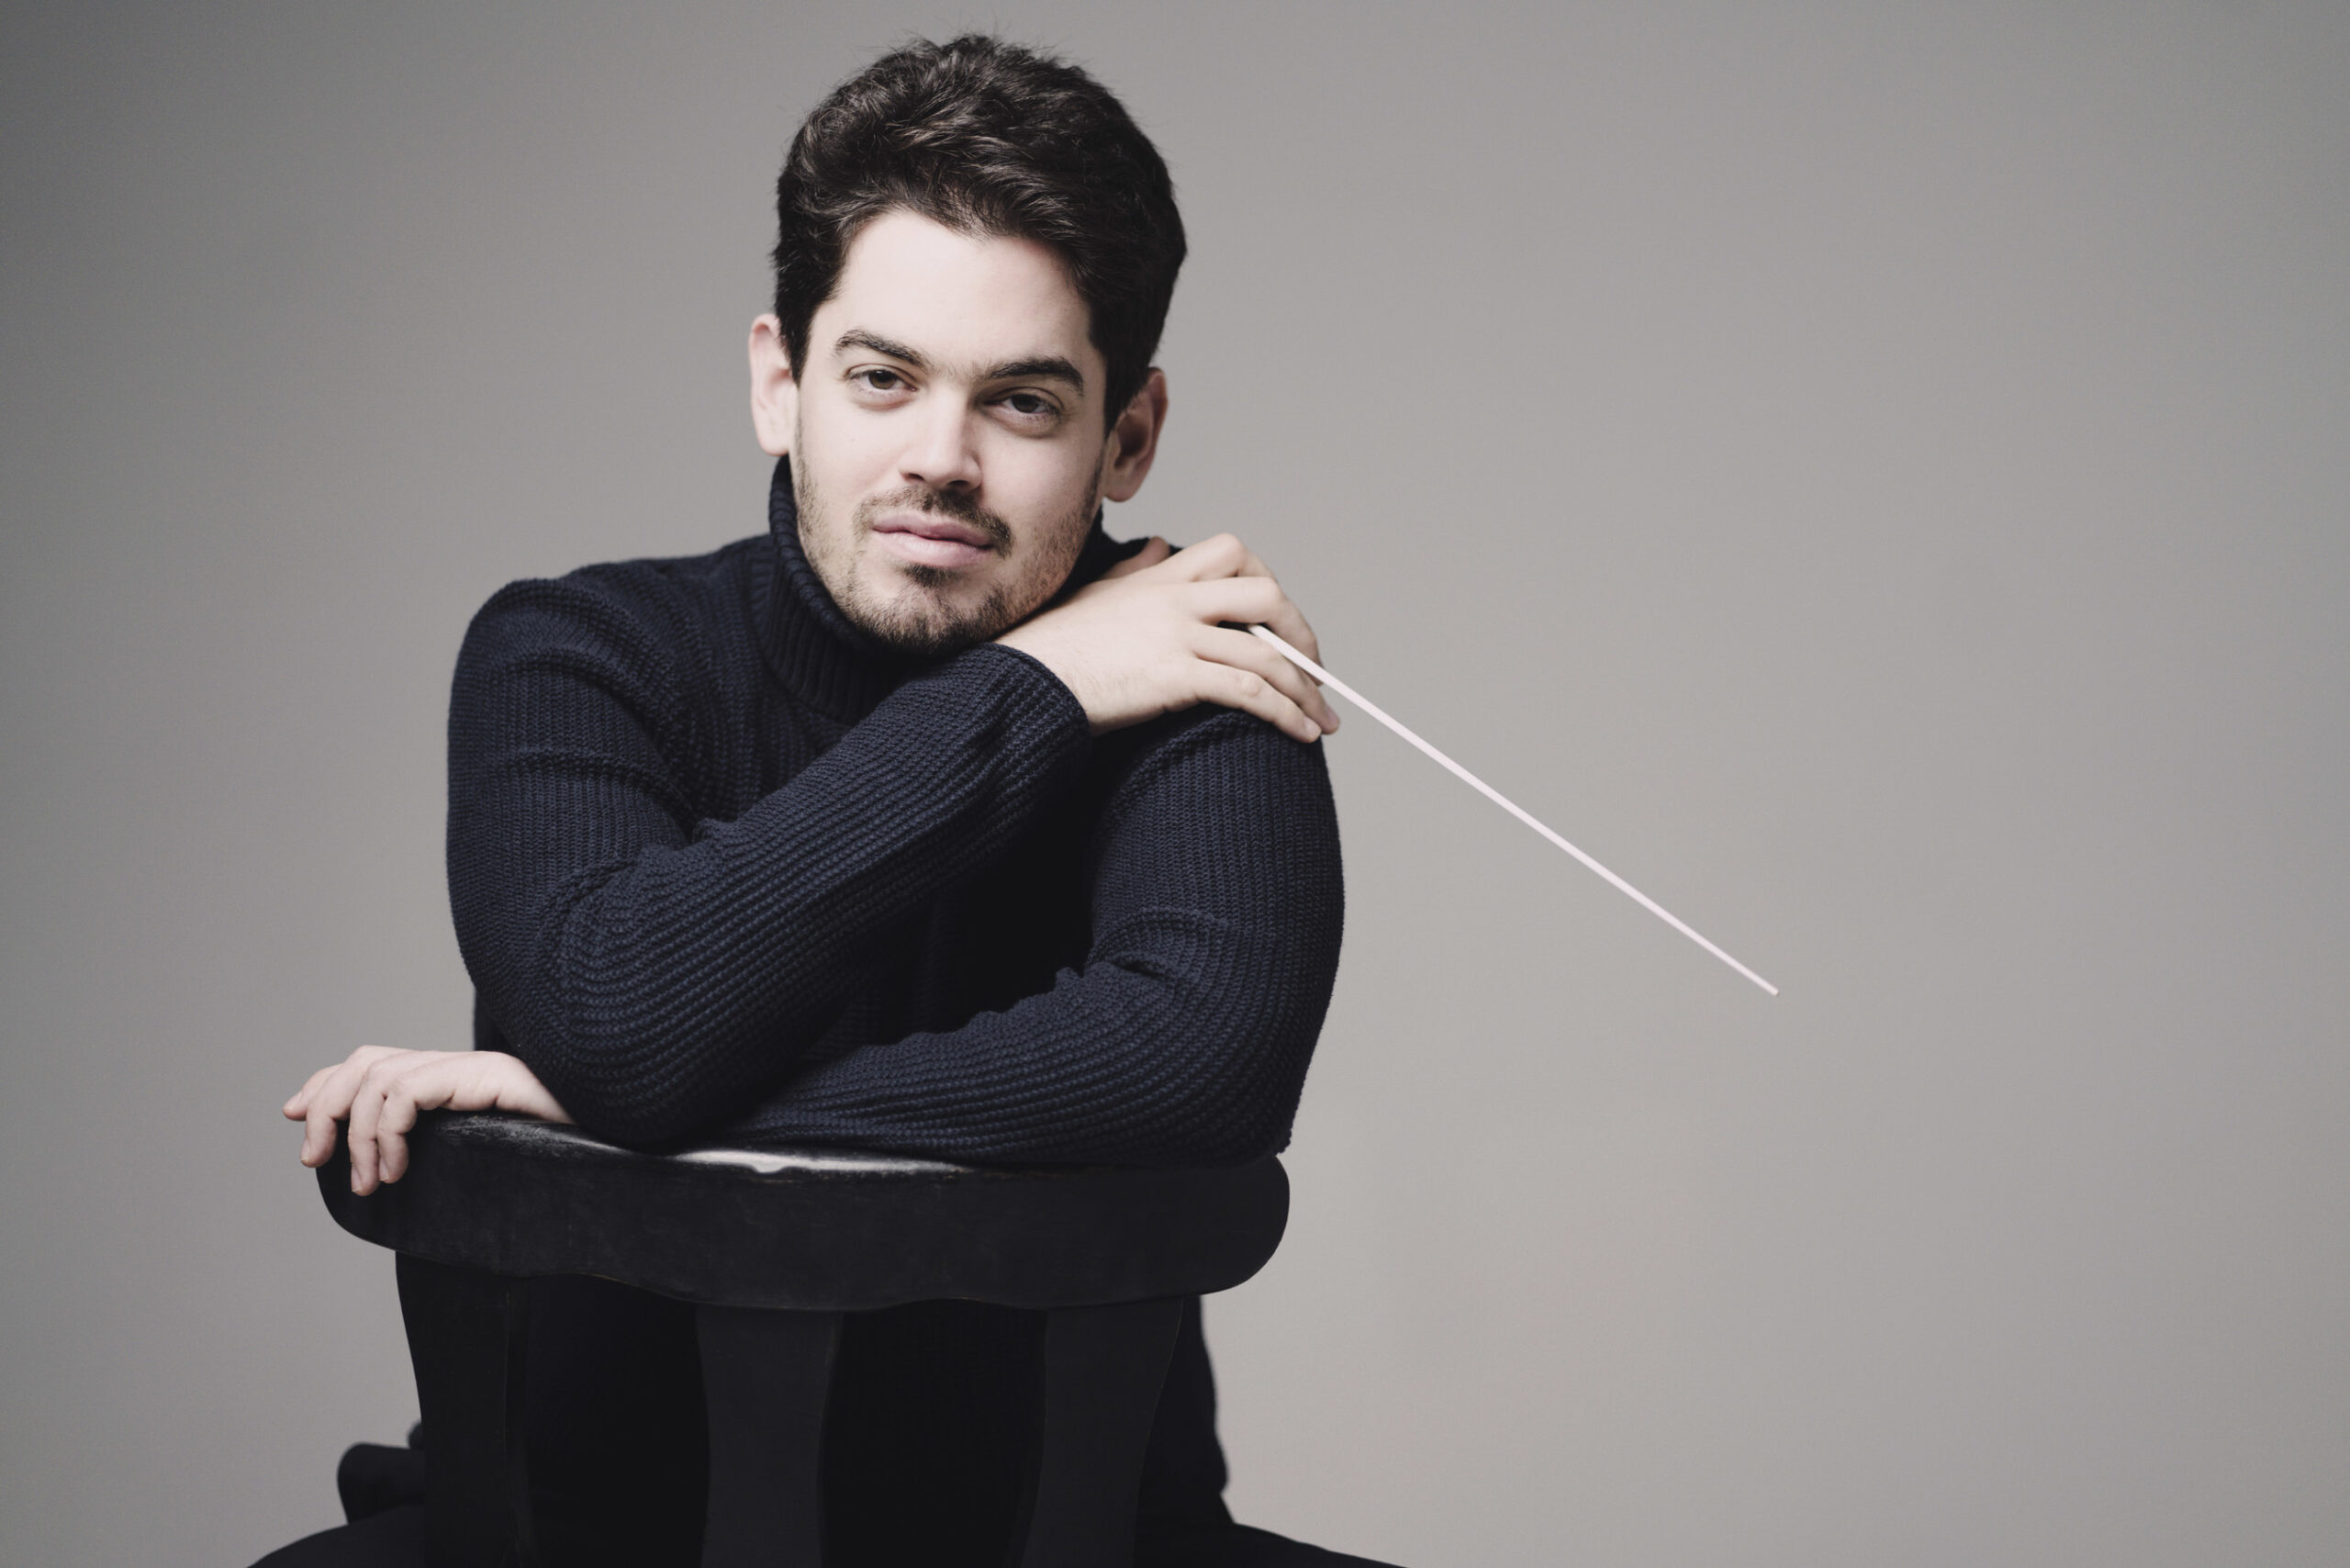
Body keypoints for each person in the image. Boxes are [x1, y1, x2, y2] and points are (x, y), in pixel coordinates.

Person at [267, 34, 1391, 1568]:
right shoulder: (575, 649)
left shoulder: (1199, 661)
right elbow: (609, 1012)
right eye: (881, 379)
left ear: (1128, 437)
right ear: (779, 381)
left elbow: (1202, 1070)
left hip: (1076, 1543)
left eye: (1024, 404)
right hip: (577, 1536)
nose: (941, 458)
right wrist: (1040, 688)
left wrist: (615, 1128)